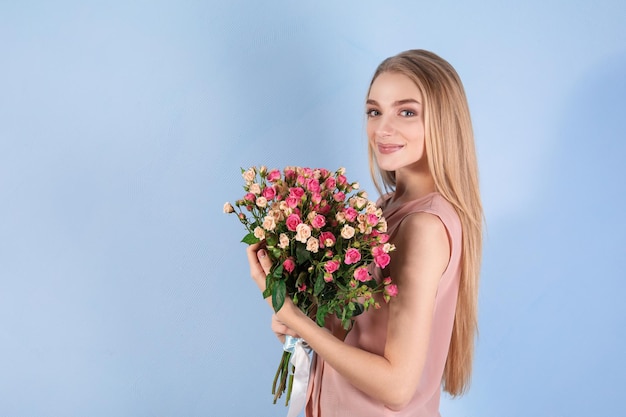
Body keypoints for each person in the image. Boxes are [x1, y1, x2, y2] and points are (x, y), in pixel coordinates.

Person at [247, 49, 483, 416]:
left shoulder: (423, 226)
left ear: (443, 121)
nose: (383, 129)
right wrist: (300, 321)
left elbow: (397, 387)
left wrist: (300, 323)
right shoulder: (386, 208)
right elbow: (353, 331)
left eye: (406, 111)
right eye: (375, 111)